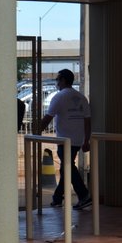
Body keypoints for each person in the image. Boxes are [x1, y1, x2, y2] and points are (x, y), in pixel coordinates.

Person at [40, 68, 92, 210]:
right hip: (78, 140)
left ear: (63, 80)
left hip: (64, 140)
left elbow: (48, 118)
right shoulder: (81, 97)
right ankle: (57, 198)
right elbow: (88, 121)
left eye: (57, 79)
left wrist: (36, 131)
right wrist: (86, 140)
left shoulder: (59, 97)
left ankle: (84, 195)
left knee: (68, 167)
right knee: (66, 168)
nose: (56, 82)